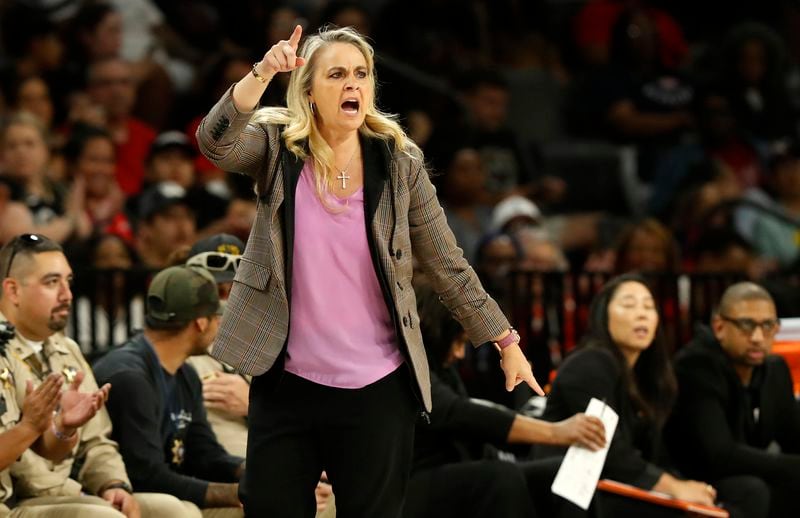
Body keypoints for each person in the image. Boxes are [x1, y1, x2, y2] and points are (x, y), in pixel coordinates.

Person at [196, 24, 541, 516]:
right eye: (336, 74)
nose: (352, 84)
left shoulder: (400, 163)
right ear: (310, 91)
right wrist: (263, 72)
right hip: (287, 380)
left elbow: (446, 261)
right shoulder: (279, 149)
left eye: (361, 74)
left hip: (377, 389)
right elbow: (215, 143)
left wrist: (505, 340)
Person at [536, 273, 769, 518]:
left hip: (623, 486)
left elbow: (657, 456)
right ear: (603, 316)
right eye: (628, 305)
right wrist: (674, 488)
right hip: (576, 492)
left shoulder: (649, 378)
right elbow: (607, 451)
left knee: (747, 491)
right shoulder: (591, 362)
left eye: (649, 307)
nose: (642, 313)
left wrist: (691, 488)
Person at [0, 233, 198, 518]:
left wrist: (112, 483)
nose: (67, 295)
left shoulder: (66, 349)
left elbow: (96, 441)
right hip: (15, 501)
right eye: (51, 282)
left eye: (67, 282)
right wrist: (36, 427)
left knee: (178, 511)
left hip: (58, 493)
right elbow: (27, 472)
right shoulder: (3, 349)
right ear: (13, 290)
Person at [406, 282, 606, 518]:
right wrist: (555, 432)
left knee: (564, 473)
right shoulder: (408, 363)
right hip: (411, 481)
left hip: (461, 464)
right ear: (436, 328)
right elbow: (457, 413)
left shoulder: (444, 367)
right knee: (500, 477)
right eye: (459, 342)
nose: (460, 354)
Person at [183, 235, 335, 516]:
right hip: (224, 480)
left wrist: (250, 407)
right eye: (218, 289)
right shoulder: (182, 357)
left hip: (281, 467)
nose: (226, 300)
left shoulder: (276, 349)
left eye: (235, 288)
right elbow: (196, 451)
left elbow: (308, 424)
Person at [93, 266, 245, 516]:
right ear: (201, 323)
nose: (220, 324)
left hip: (162, 489)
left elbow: (205, 454)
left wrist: (257, 473)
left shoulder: (186, 375)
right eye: (217, 317)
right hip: (117, 495)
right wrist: (237, 493)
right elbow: (147, 476)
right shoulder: (130, 378)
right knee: (180, 511)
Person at [666, 282, 800, 518]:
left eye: (768, 325)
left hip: (742, 472)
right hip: (689, 478)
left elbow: (792, 435)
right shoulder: (695, 367)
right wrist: (791, 466)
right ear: (719, 327)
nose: (758, 337)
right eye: (746, 325)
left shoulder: (775, 369)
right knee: (752, 489)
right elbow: (719, 454)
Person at [0, 322, 132, 517]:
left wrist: (63, 427)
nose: (67, 296)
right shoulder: (10, 347)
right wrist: (29, 427)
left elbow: (42, 449)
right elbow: (27, 468)